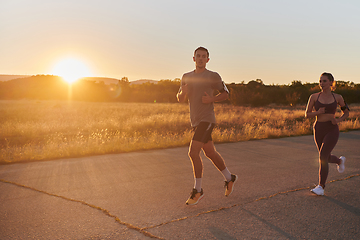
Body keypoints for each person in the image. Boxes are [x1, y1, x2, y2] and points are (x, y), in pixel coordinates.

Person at [177, 46, 237, 205]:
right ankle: (230, 178)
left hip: (207, 119)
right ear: (194, 58)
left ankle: (198, 190)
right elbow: (180, 98)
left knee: (193, 152)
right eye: (198, 56)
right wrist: (183, 92)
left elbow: (226, 94)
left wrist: (211, 100)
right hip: (195, 121)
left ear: (208, 59)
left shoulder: (213, 76)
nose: (201, 58)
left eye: (204, 56)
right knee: (210, 152)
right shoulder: (186, 76)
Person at [305, 72, 350, 196]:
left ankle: (321, 187)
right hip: (318, 128)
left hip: (332, 129)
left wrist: (338, 120)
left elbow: (346, 112)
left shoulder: (338, 97)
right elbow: (307, 114)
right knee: (324, 156)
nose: (321, 83)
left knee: (323, 156)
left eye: (324, 81)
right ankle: (339, 161)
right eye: (320, 81)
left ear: (331, 82)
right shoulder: (314, 97)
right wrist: (317, 112)